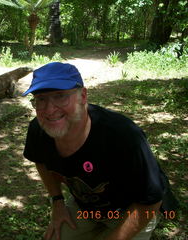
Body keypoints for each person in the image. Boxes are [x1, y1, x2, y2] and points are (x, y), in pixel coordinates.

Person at [22, 62, 178, 240]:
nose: (49, 110)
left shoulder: (123, 135)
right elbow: (40, 160)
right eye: (41, 99)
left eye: (60, 96)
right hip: (86, 207)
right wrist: (57, 202)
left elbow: (151, 201)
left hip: (134, 208)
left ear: (83, 96)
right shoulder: (39, 130)